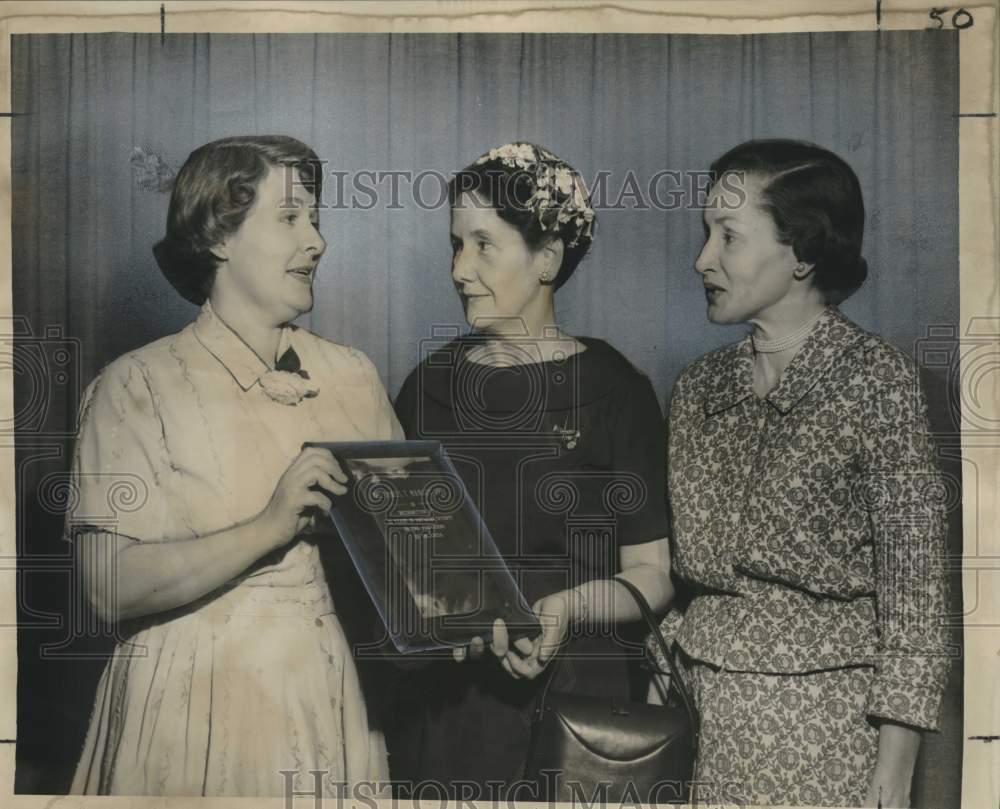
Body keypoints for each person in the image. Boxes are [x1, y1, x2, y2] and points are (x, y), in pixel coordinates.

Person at [67, 136, 402, 796]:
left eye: (316, 218)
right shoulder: (136, 385)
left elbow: (411, 564)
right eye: (290, 217)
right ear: (219, 234)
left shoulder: (353, 377)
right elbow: (105, 585)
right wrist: (268, 525)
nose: (317, 242)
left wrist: (464, 618)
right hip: (187, 708)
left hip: (332, 698)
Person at [647, 139, 951, 807]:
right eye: (705, 234)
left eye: (728, 236)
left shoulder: (876, 382)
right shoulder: (698, 388)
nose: (703, 258)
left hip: (828, 736)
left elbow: (916, 597)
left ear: (804, 254)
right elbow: (684, 578)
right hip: (697, 720)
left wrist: (895, 769)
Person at [387, 142, 674, 798]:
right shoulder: (427, 386)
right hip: (447, 703)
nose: (461, 269)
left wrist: (570, 609)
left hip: (578, 703)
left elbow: (653, 574)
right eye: (455, 244)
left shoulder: (614, 386)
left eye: (484, 245)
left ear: (547, 258)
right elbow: (399, 560)